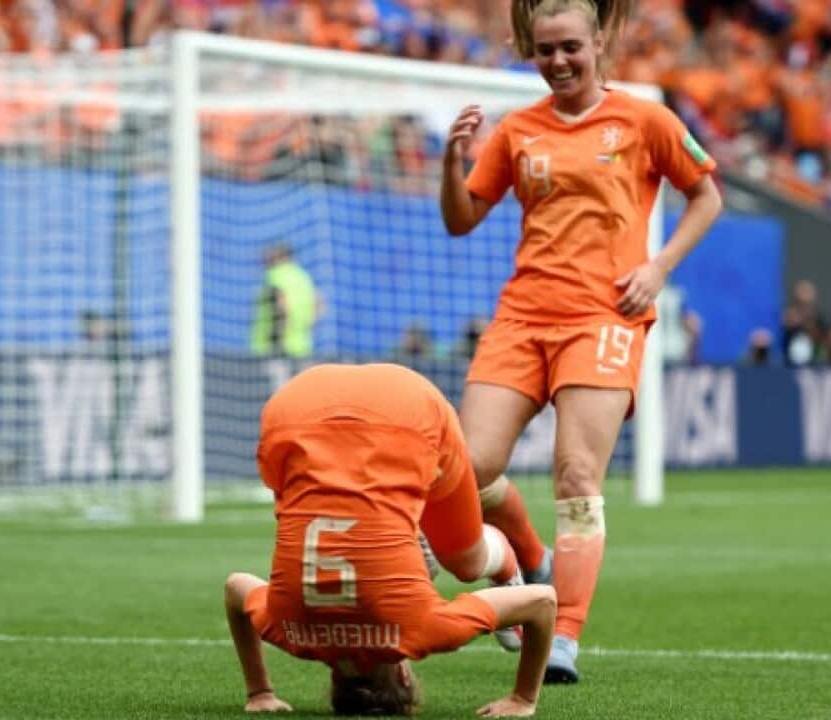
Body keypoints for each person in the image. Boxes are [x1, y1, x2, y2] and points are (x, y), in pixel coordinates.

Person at [439, 0, 722, 684]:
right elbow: (462, 220)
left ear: (600, 41)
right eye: (545, 51)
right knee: (465, 469)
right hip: (522, 317)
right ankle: (526, 560)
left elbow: (707, 196)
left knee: (575, 474)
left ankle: (562, 633)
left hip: (604, 317)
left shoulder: (645, 120)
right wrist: (452, 162)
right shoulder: (517, 129)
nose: (559, 62)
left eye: (571, 47)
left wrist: (657, 269)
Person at [225, 364, 557, 717]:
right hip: (295, 405)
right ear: (335, 679)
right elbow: (235, 587)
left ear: (403, 671)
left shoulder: (420, 632)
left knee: (467, 564)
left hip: (408, 407)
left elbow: (543, 602)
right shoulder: (289, 630)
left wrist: (523, 698)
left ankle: (503, 559)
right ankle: (408, 527)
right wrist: (259, 692)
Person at [250, 243, 320, 358]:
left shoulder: (276, 274)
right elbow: (319, 302)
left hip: (273, 348)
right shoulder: (303, 276)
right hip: (302, 346)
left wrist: (278, 340)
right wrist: (308, 324)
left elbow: (282, 307)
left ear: (280, 257)